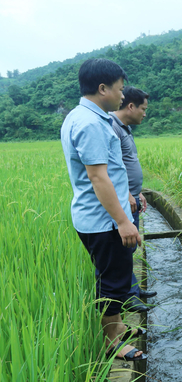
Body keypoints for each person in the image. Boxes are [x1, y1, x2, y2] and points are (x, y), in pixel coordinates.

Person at [61, 58, 147, 361]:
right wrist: (124, 221)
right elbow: (98, 177)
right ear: (102, 89)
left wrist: (128, 198)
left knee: (113, 274)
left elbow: (109, 172)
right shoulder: (90, 124)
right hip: (104, 222)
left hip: (99, 217)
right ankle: (112, 340)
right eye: (120, 90)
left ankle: (119, 326)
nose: (123, 96)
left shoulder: (85, 116)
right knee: (113, 281)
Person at [110, 86, 157, 313]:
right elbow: (111, 166)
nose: (145, 114)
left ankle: (134, 289)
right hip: (123, 200)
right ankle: (128, 296)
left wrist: (136, 192)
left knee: (129, 250)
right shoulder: (112, 127)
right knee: (123, 249)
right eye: (143, 109)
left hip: (131, 197)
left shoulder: (124, 127)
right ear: (131, 106)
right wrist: (127, 193)